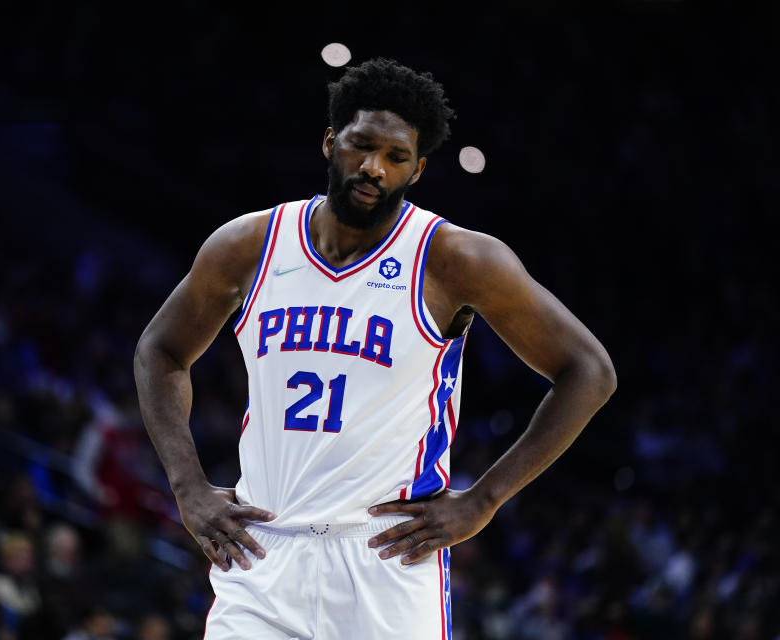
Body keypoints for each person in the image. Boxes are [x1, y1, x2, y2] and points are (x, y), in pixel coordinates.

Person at [133, 58, 616, 638]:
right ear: (331, 142)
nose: (373, 169)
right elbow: (160, 351)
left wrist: (483, 500)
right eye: (361, 147)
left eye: (395, 158)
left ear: (417, 170)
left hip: (385, 559)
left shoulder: (454, 259)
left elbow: (588, 371)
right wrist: (187, 486)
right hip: (262, 554)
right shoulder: (248, 245)